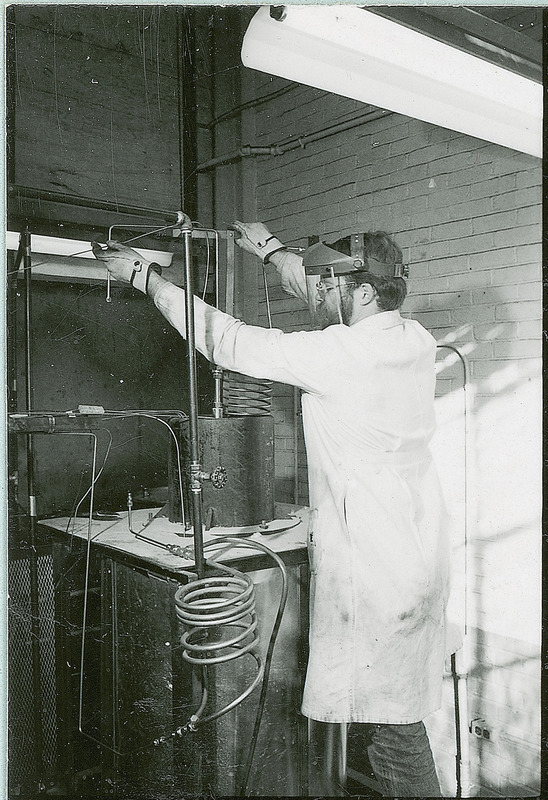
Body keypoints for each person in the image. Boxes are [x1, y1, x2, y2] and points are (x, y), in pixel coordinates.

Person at [93, 221, 450, 797]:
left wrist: (143, 277)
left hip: (376, 566)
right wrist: (269, 248)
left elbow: (226, 340)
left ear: (360, 292)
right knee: (393, 713)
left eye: (330, 282)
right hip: (415, 549)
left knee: (392, 730)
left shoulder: (343, 353)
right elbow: (326, 297)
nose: (318, 291)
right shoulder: (410, 339)